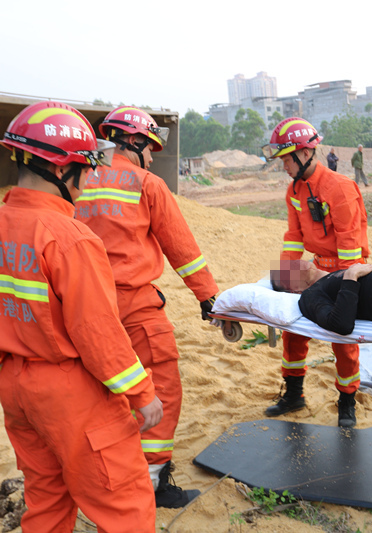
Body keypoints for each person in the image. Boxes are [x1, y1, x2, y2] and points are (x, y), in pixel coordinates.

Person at [0, 101, 163, 532]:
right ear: (60, 169)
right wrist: (142, 394)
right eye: (86, 166)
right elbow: (98, 334)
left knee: (47, 503)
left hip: (15, 387)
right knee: (125, 503)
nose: (92, 178)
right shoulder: (69, 237)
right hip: (71, 393)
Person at [75, 105, 218, 508]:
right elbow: (181, 248)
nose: (153, 156)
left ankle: (110, 471)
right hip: (135, 306)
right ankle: (152, 480)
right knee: (161, 386)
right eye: (150, 147)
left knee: (107, 391)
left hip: (83, 306)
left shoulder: (79, 179)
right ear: (134, 142)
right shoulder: (145, 183)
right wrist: (208, 298)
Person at [263, 117, 370, 428]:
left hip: (349, 268)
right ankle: (294, 394)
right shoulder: (294, 190)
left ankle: (347, 402)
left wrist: (340, 284)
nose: (284, 166)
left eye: (286, 159)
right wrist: (286, 273)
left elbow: (350, 248)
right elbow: (294, 236)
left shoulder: (340, 188)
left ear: (305, 153)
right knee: (291, 325)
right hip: (316, 265)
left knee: (343, 337)